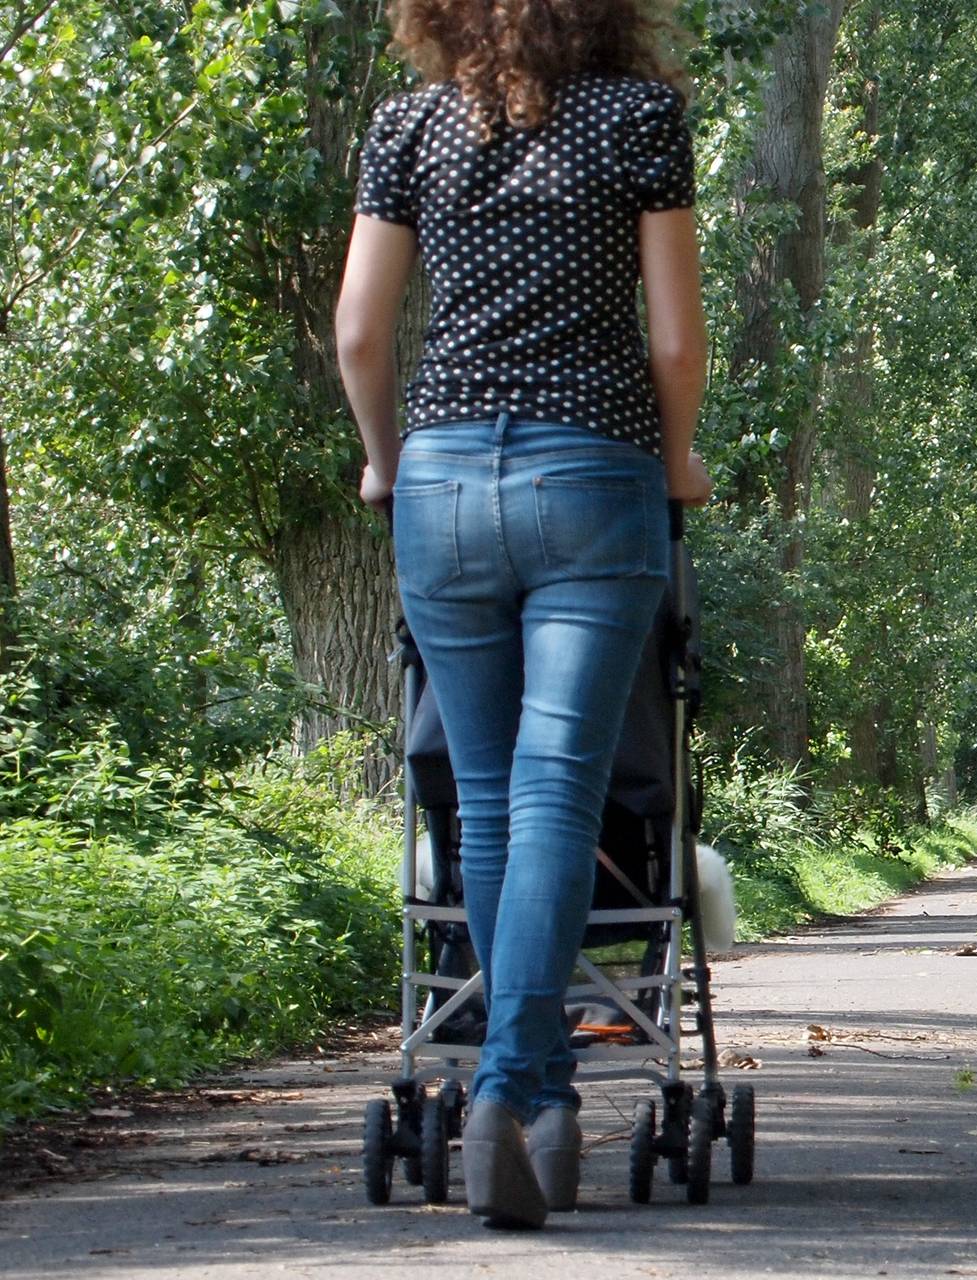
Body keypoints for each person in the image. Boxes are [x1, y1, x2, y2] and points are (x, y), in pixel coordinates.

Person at [334, 0, 710, 1231]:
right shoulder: (639, 118)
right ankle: (512, 1083)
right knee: (556, 790)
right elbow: (675, 343)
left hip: (442, 482)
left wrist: (386, 460)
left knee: (489, 795)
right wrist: (679, 460)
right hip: (593, 473)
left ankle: (536, 1091)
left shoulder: (410, 129)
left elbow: (360, 331)